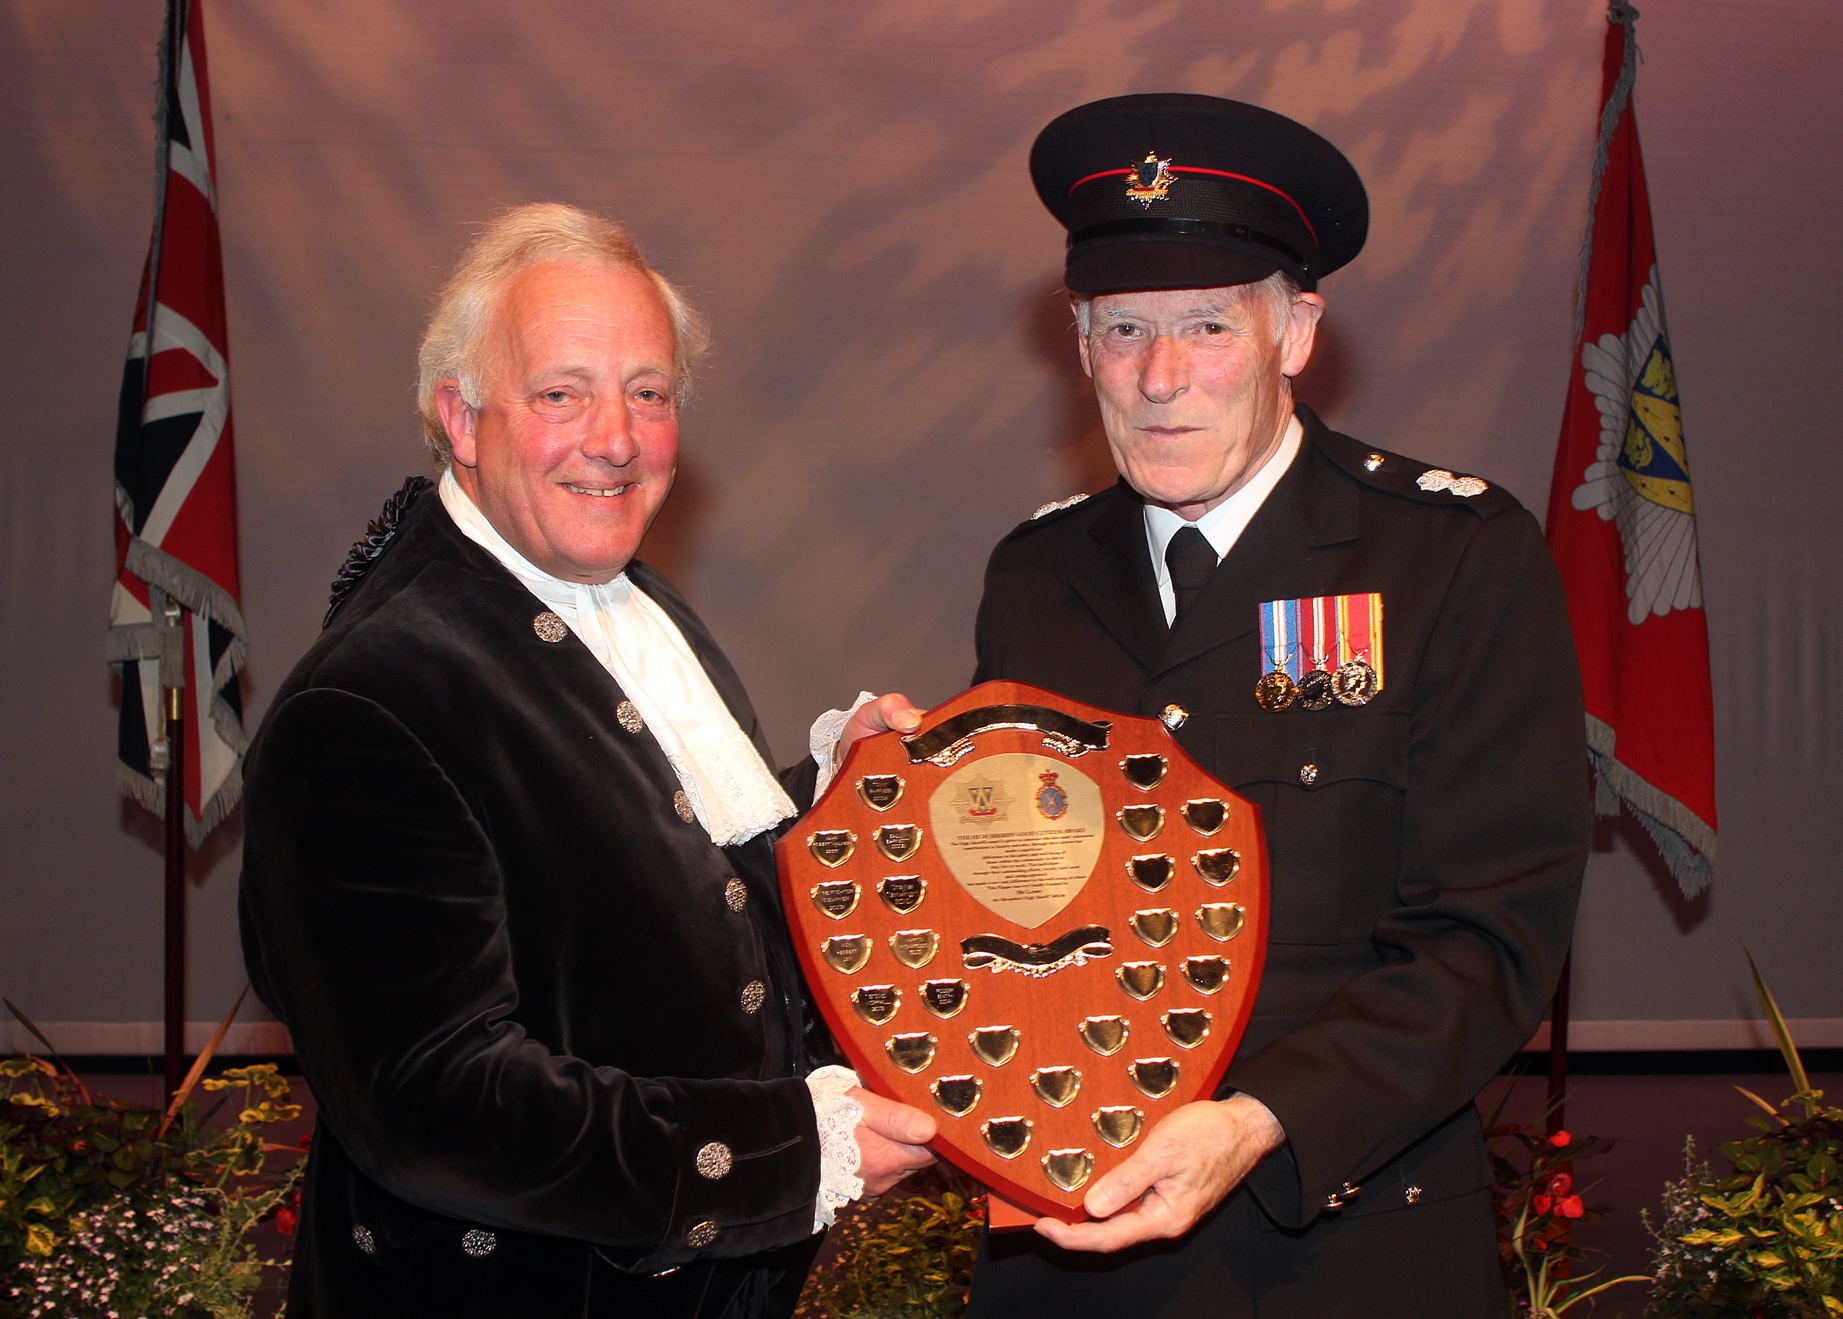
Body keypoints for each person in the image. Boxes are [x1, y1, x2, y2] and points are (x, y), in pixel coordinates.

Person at [238, 203, 934, 1319]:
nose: (615, 437)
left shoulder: (617, 595)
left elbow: (637, 858)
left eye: (649, 392)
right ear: (460, 419)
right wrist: (782, 1153)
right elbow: (431, 1099)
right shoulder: (364, 703)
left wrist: (828, 790)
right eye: (561, 392)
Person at [959, 94, 1589, 1316]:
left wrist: (1257, 1121)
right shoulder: (1032, 576)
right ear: (1075, 339)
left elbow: (1491, 936)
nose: (1159, 377)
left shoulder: (1450, 555)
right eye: (1124, 327)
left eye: (1206, 326)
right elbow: (1020, 906)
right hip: (1068, 1254)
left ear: (1296, 332)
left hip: (1342, 1245)